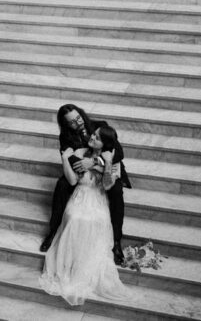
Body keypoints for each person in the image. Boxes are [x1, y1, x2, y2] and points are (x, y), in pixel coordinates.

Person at [39, 125, 134, 306]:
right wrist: (65, 159)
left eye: (97, 137)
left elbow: (107, 186)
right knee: (75, 218)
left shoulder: (113, 161)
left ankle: (85, 267)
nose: (92, 137)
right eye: (94, 134)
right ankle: (71, 265)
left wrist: (105, 164)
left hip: (97, 199)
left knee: (95, 221)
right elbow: (73, 180)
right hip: (80, 196)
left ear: (105, 143)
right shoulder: (81, 152)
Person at [39, 104, 130, 266]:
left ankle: (116, 242)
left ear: (82, 114)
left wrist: (96, 161)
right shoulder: (65, 136)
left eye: (78, 117)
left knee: (116, 190)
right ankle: (53, 231)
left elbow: (119, 153)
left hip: (105, 167)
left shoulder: (100, 126)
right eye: (72, 122)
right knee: (62, 185)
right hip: (82, 171)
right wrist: (83, 162)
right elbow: (72, 159)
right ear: (66, 124)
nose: (77, 122)